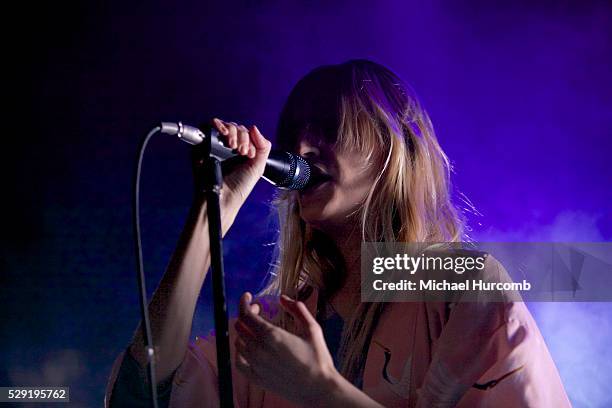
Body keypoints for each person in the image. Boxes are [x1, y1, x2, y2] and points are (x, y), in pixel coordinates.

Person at [104, 60, 571, 407]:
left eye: (328, 128)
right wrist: (213, 210)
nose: (302, 148)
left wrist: (317, 390)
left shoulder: (461, 287)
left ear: (393, 147)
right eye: (293, 134)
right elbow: (140, 395)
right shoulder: (275, 329)